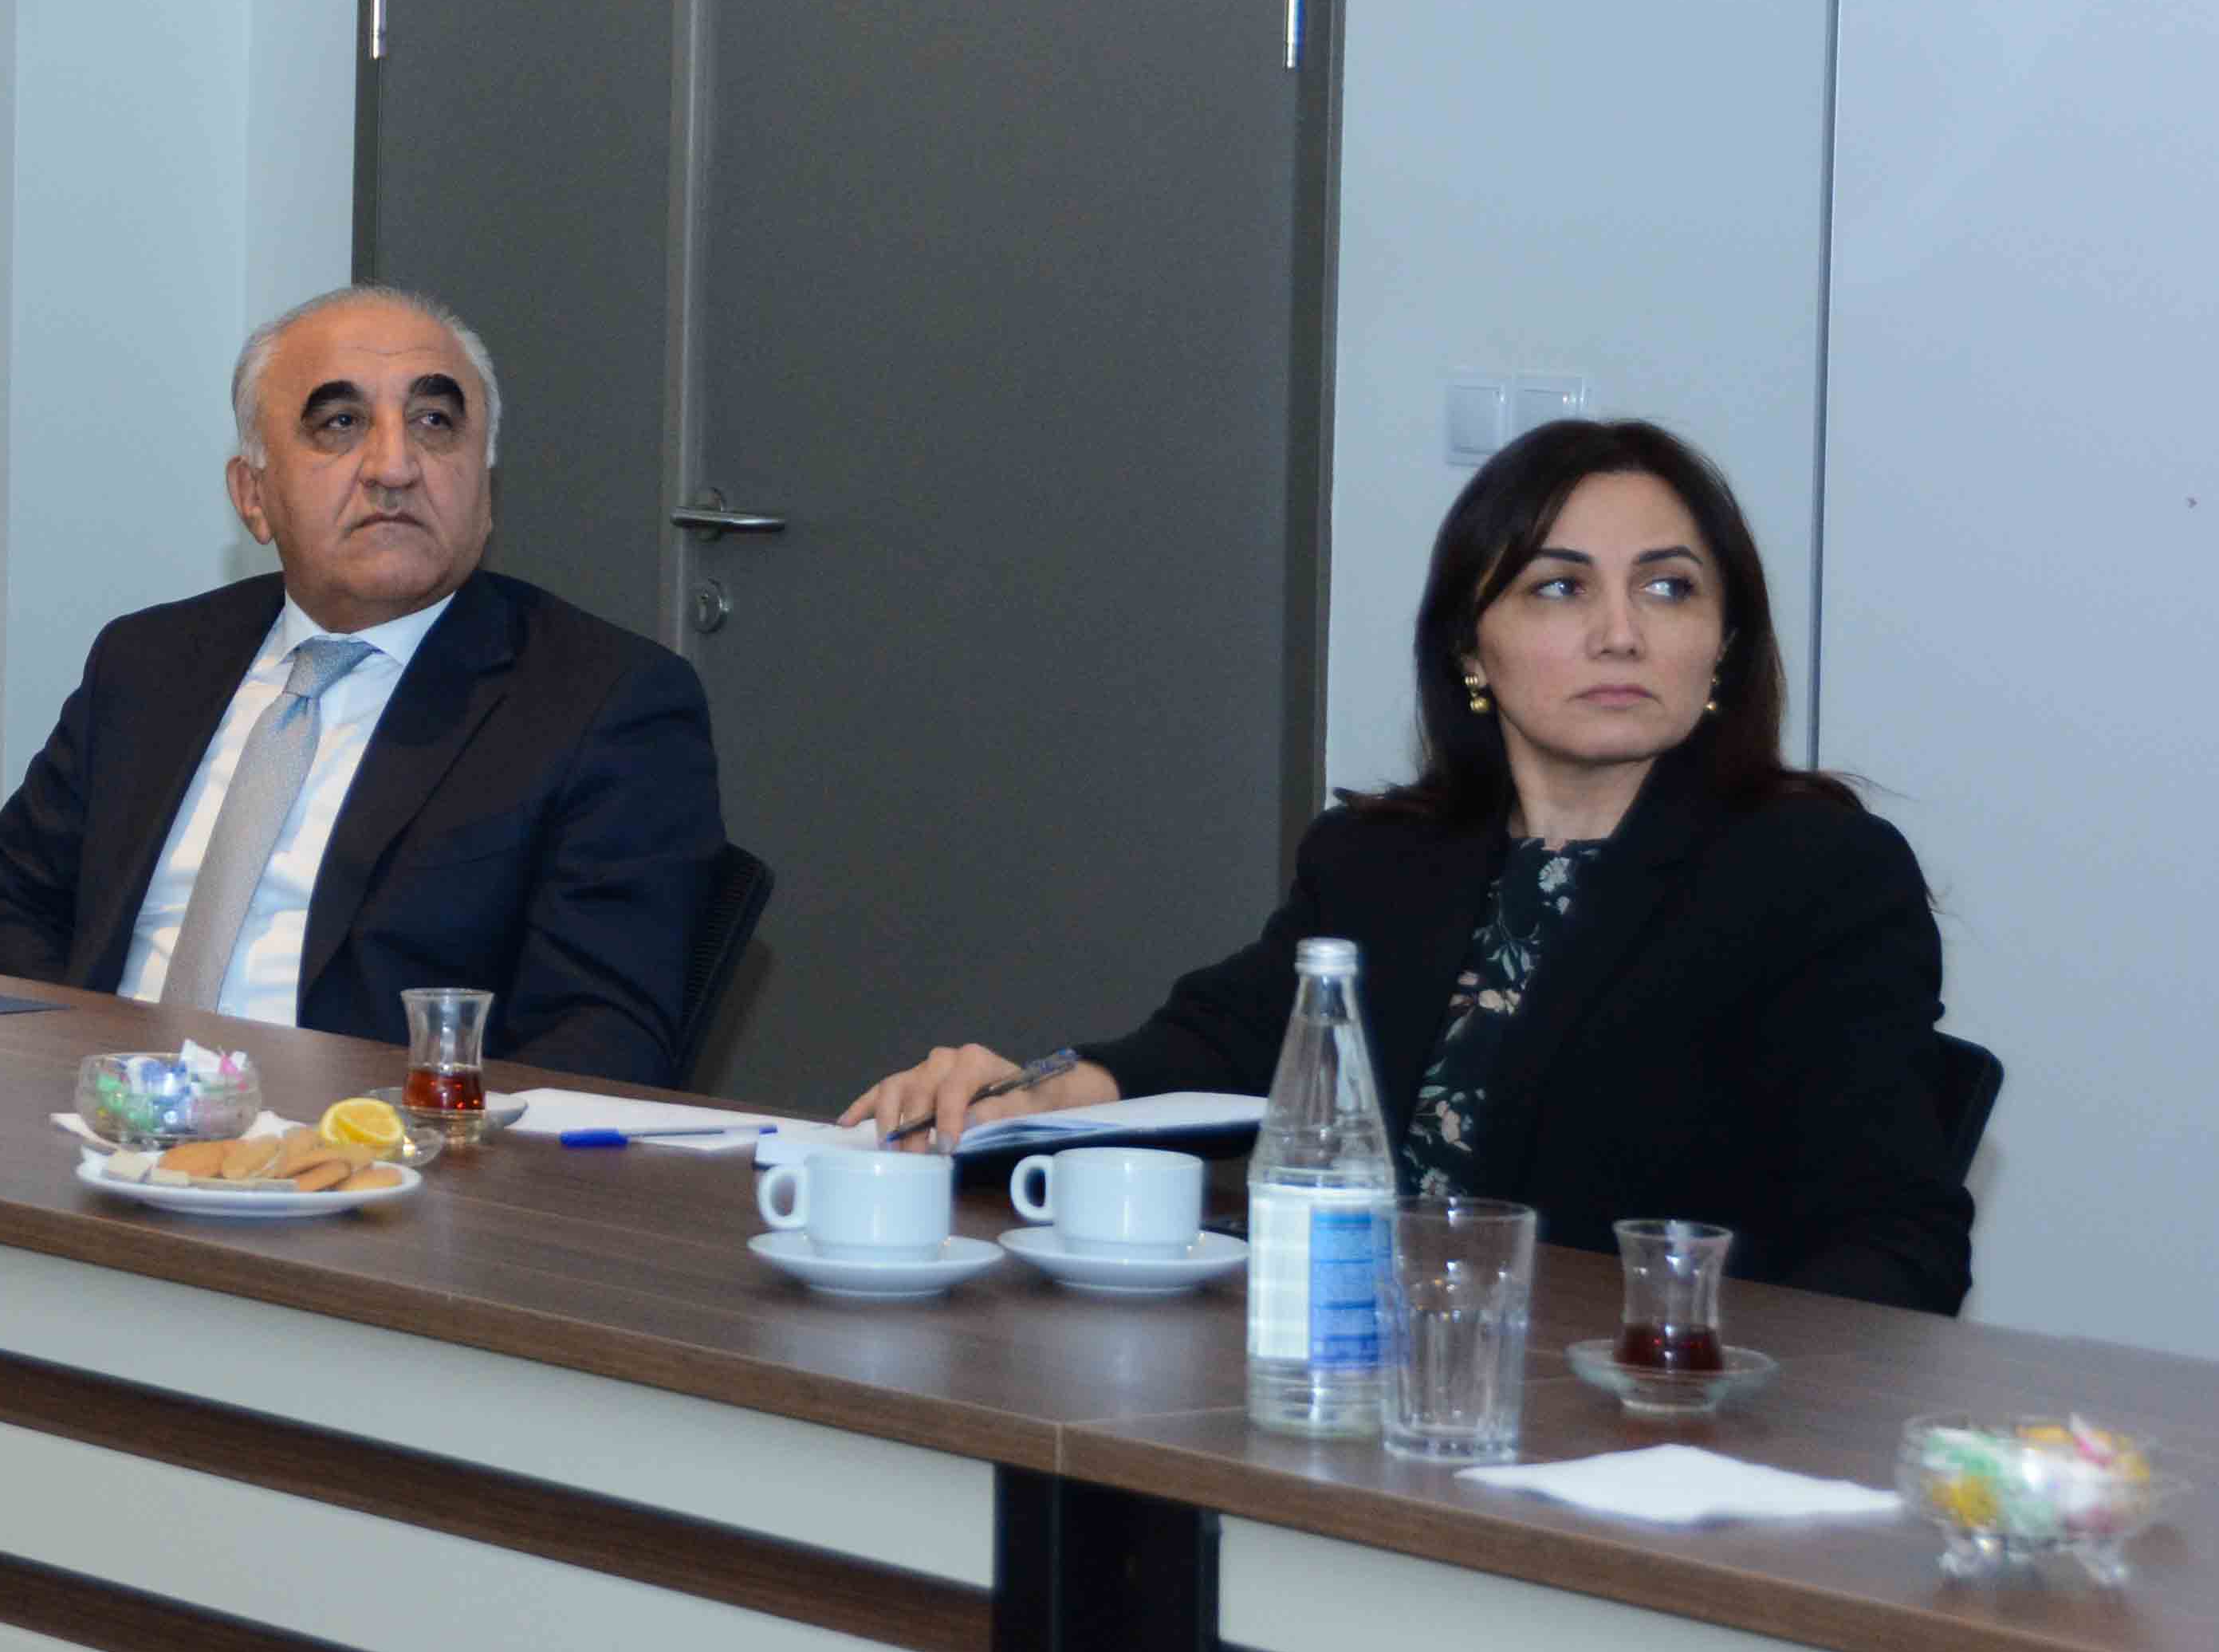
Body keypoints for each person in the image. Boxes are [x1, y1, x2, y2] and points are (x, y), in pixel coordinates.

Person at [841, 418, 1971, 1312]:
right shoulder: (1380, 858)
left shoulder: (1813, 872)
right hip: (1354, 1377)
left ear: (1721, 646)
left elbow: (1893, 1238)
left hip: (1633, 1412)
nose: (1620, 632)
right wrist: (1018, 1091)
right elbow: (1214, 1043)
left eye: (1667, 587)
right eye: (1559, 585)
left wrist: (1707, 1396)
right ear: (1468, 645)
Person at [0, 285, 722, 1082]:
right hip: (97, 1118)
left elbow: (602, 1042)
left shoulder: (603, 703)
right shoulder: (151, 660)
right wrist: (86, 1077)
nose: (394, 467)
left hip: (370, 1144)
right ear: (252, 495)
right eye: (340, 423)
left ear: (485, 487)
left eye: (434, 422)